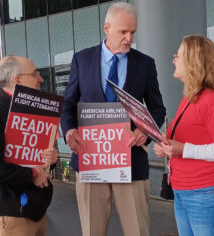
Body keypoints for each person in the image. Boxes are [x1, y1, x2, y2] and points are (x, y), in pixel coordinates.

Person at [60, 3, 166, 236]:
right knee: (92, 231)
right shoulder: (82, 59)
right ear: (106, 27)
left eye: (133, 32)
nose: (129, 38)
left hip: (131, 161)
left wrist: (144, 131)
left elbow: (157, 110)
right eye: (123, 32)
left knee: (137, 231)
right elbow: (68, 104)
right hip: (90, 160)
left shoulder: (145, 63)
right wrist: (68, 131)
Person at [153, 35, 214, 236]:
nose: (173, 60)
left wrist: (183, 149)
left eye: (178, 56)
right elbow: (190, 139)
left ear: (193, 62)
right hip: (186, 191)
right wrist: (165, 147)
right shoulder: (191, 99)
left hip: (207, 193)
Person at [0, 56, 58, 236]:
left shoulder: (35, 110)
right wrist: (32, 174)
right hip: (8, 214)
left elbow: (38, 157)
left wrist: (51, 158)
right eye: (35, 74)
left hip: (34, 211)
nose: (41, 79)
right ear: (17, 80)